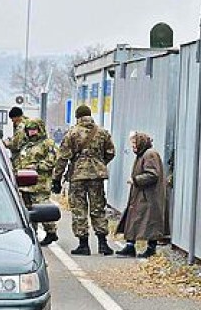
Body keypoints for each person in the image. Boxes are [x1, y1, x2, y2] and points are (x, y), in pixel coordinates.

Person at [51, 104, 116, 256]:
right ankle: (103, 244)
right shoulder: (102, 132)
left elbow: (62, 158)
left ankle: (83, 245)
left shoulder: (72, 133)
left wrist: (56, 179)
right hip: (97, 176)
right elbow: (111, 152)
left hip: (78, 176)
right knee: (98, 208)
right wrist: (99, 163)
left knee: (79, 209)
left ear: (78, 117)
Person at [115, 132, 166, 258]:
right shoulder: (143, 154)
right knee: (137, 219)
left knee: (148, 221)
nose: (132, 146)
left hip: (148, 196)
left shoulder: (149, 154)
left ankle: (149, 248)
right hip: (143, 194)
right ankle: (131, 246)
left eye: (134, 143)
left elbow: (153, 174)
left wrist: (136, 180)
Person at [12, 118, 58, 245]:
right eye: (29, 130)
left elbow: (52, 161)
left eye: (34, 129)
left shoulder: (47, 144)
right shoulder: (26, 145)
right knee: (28, 210)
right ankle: (32, 232)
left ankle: (51, 232)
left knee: (42, 208)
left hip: (40, 183)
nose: (32, 132)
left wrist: (36, 166)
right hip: (25, 183)